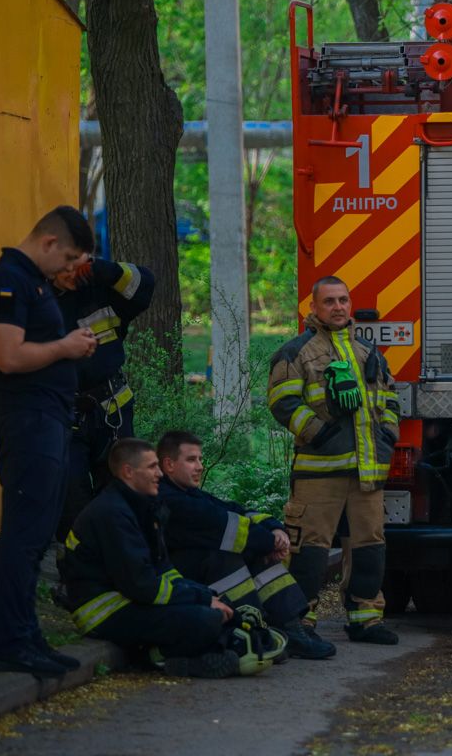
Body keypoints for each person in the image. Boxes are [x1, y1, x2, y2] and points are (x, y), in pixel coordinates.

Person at [0, 206, 97, 677]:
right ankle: (8, 643)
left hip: (46, 417)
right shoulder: (9, 280)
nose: (69, 269)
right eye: (67, 257)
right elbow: (7, 356)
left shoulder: (36, 281)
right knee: (23, 535)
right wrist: (65, 347)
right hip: (26, 418)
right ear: (48, 243)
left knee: (39, 533)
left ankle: (27, 636)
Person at [267, 276, 402, 646]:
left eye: (343, 300)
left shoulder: (367, 352)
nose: (338, 307)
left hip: (367, 471)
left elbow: (390, 398)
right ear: (313, 308)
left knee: (369, 547)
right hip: (318, 472)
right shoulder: (295, 352)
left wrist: (388, 436)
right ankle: (300, 622)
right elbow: (282, 403)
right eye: (329, 301)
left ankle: (365, 619)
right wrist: (319, 434)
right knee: (309, 549)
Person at [60, 438, 253, 679]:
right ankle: (154, 658)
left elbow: (164, 570)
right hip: (103, 613)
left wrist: (209, 596)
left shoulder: (141, 507)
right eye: (152, 467)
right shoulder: (112, 514)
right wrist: (201, 600)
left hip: (128, 600)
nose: (160, 474)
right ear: (128, 472)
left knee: (221, 610)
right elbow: (142, 586)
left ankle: (192, 651)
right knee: (205, 621)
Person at [156, 430, 336, 659]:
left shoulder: (187, 492)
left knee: (257, 554)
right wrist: (271, 542)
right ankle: (257, 633)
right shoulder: (169, 498)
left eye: (200, 459)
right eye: (191, 460)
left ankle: (290, 629)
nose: (200, 466)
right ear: (169, 465)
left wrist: (273, 527)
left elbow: (234, 509)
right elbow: (224, 525)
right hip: (179, 580)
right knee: (227, 557)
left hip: (196, 575)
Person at [52, 254, 156, 541]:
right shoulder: (39, 300)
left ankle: (123, 566)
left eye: (78, 259)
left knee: (123, 493)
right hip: (64, 417)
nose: (71, 268)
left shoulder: (101, 287)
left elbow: (145, 283)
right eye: (64, 261)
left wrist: (104, 269)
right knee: (71, 500)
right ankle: (74, 575)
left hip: (113, 410)